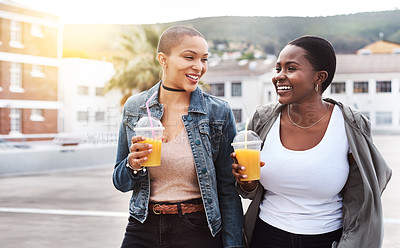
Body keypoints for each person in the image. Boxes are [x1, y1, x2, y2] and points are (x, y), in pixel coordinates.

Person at [231, 35, 392, 248]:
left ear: (319, 77)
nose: (279, 76)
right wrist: (246, 183)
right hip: (266, 237)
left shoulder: (350, 125)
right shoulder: (262, 120)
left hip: (326, 239)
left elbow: (364, 194)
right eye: (278, 68)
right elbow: (249, 190)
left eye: (291, 68)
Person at [113, 25, 244, 248]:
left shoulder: (218, 112)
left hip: (197, 229)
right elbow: (120, 181)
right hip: (142, 225)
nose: (199, 67)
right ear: (163, 59)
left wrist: (234, 245)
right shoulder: (135, 108)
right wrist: (133, 165)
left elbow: (228, 190)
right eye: (189, 57)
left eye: (204, 59)